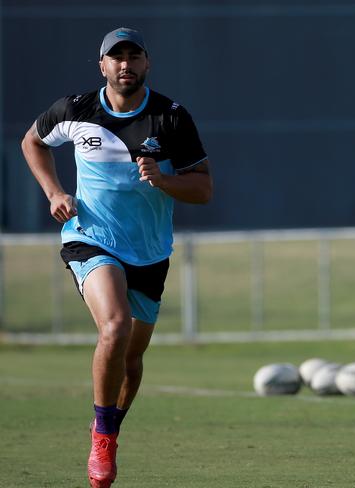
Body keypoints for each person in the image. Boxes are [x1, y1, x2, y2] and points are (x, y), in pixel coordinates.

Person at [21, 27, 212, 487]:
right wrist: (53, 192)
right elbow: (33, 142)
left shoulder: (171, 117)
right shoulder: (74, 110)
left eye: (134, 55)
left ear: (147, 63)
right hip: (91, 237)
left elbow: (203, 190)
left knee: (132, 357)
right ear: (102, 65)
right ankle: (102, 437)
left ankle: (109, 426)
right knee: (116, 325)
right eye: (116, 56)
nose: (125, 64)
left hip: (149, 252)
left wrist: (163, 181)